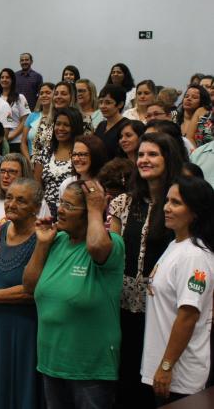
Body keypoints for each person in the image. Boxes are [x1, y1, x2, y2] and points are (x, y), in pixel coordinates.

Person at [24, 181, 125, 409]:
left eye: (69, 206)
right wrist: (42, 244)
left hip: (89, 370)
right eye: (61, 202)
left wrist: (96, 210)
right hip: (52, 363)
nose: (60, 210)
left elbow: (96, 246)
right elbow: (29, 285)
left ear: (88, 212)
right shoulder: (57, 240)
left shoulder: (111, 244)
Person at [109, 133, 184, 407]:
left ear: (168, 159)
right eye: (141, 154)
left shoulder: (179, 205)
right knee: (125, 379)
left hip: (163, 308)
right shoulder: (123, 203)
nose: (144, 160)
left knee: (154, 386)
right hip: (122, 306)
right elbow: (114, 254)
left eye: (152, 154)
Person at [142, 177, 214, 405]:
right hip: (164, 372)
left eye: (176, 202)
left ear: (195, 212)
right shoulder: (175, 246)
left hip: (180, 377)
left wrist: (166, 366)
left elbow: (188, 316)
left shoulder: (194, 256)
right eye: (167, 200)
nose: (166, 207)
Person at [0, 178, 43, 409]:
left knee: (23, 389)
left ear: (36, 207)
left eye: (21, 200)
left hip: (27, 327)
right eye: (9, 198)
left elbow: (36, 290)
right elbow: (0, 274)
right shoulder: (5, 229)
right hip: (0, 326)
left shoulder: (43, 237)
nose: (12, 204)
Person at [0, 155, 49, 265]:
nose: (5, 176)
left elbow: (44, 242)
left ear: (24, 175)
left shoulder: (39, 204)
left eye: (12, 172)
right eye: (2, 171)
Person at [34, 107, 84, 217]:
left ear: (75, 127)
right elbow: (37, 186)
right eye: (58, 124)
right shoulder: (45, 152)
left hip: (72, 212)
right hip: (45, 213)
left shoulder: (81, 154)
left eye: (66, 125)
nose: (60, 128)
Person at [31, 81, 77, 162]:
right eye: (56, 94)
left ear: (71, 97)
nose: (58, 96)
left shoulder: (80, 121)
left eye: (63, 94)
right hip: (42, 166)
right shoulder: (45, 122)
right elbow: (37, 151)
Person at [0, 68, 31, 152]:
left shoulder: (20, 97)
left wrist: (12, 135)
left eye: (7, 77)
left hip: (16, 141)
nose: (4, 79)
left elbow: (25, 119)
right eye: (2, 77)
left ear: (12, 80)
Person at [95, 84, 131, 160]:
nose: (102, 106)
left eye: (108, 103)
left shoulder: (127, 126)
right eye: (100, 102)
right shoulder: (101, 125)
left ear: (120, 104)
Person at [21, 82, 53, 161]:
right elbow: (23, 143)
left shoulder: (59, 117)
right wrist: (29, 161)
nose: (44, 95)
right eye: (41, 93)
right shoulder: (32, 116)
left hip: (52, 161)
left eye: (48, 93)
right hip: (32, 161)